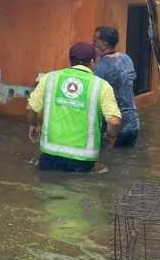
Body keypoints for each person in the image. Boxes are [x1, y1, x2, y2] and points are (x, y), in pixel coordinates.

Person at [27, 42, 123, 172]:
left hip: (49, 155)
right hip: (83, 160)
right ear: (92, 62)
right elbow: (114, 121)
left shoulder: (49, 78)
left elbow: (31, 108)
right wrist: (110, 137)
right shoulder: (102, 86)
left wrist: (33, 125)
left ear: (70, 60)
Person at [92, 25, 140, 147]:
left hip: (113, 125)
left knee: (108, 156)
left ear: (104, 44)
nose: (93, 44)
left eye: (95, 41)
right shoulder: (126, 59)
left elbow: (94, 94)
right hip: (133, 123)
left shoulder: (101, 67)